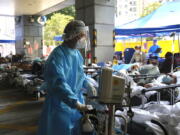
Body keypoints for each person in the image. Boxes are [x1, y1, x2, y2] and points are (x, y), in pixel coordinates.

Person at [37, 20, 97, 135]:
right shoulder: (57, 55)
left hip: (75, 102)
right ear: (73, 36)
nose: (83, 39)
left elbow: (80, 75)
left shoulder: (77, 54)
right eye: (81, 36)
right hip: (59, 105)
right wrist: (75, 103)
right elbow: (58, 82)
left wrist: (87, 83)